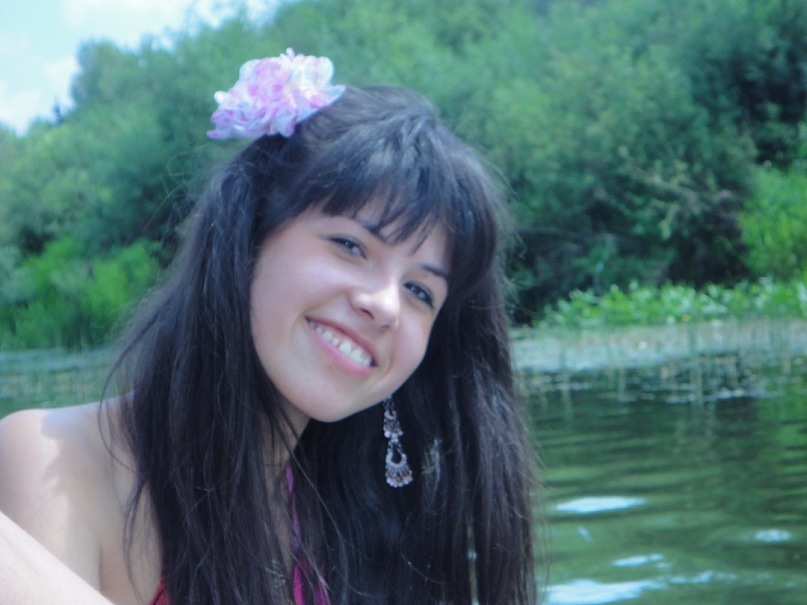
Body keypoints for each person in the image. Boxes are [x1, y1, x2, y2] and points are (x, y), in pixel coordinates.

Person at [0, 49, 538, 604]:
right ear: (250, 233)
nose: (385, 306)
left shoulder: (358, 521)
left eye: (420, 291)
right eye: (351, 246)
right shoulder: (54, 459)